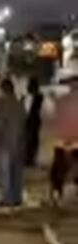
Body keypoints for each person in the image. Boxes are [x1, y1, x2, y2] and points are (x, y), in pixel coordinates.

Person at [0, 78, 26, 208]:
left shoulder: (2, 105)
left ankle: (7, 198)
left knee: (5, 173)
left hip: (4, 144)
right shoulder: (19, 104)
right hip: (18, 144)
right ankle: (17, 197)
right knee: (17, 172)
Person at [50, 75, 78, 203]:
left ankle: (57, 191)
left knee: (58, 170)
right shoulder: (62, 101)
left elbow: (56, 121)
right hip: (73, 141)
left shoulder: (61, 101)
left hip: (62, 141)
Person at [25, 77, 44, 167]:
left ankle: (31, 159)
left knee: (32, 140)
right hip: (31, 121)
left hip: (33, 121)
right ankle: (29, 158)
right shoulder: (30, 97)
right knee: (30, 140)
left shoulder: (38, 97)